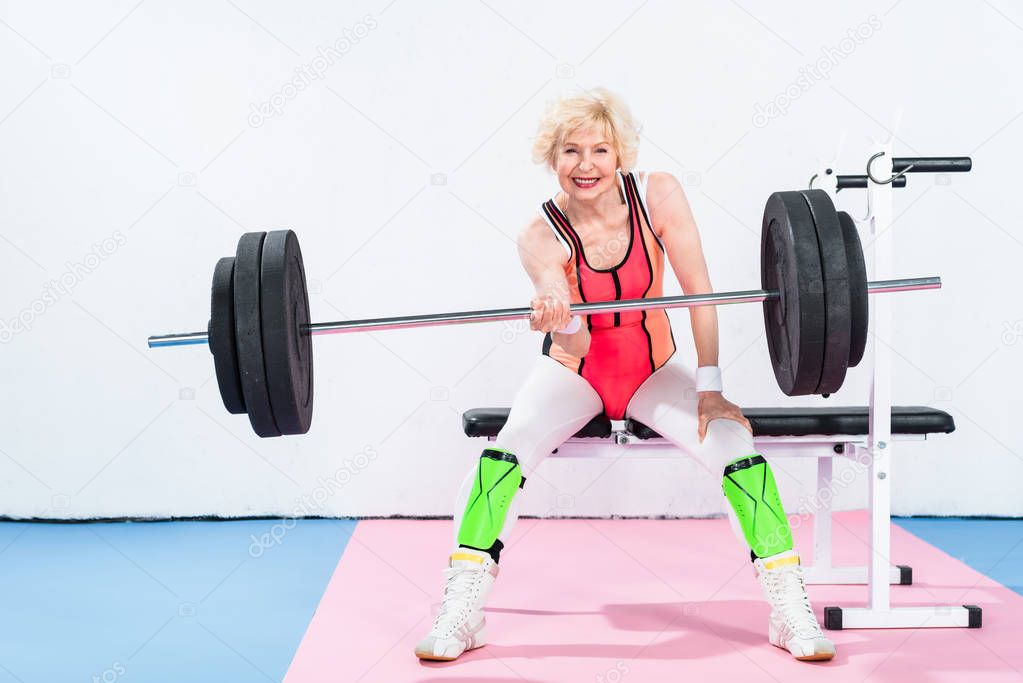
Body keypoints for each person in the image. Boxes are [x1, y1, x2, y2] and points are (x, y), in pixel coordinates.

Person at [414, 88, 835, 663]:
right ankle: (462, 612)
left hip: (654, 370)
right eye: (569, 151)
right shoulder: (539, 235)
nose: (585, 165)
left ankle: (789, 610)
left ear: (620, 155)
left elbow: (700, 290)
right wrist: (556, 313)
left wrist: (709, 388)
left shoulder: (658, 195)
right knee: (500, 462)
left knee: (739, 456)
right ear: (551, 157)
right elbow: (577, 339)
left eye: (599, 150)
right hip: (574, 371)